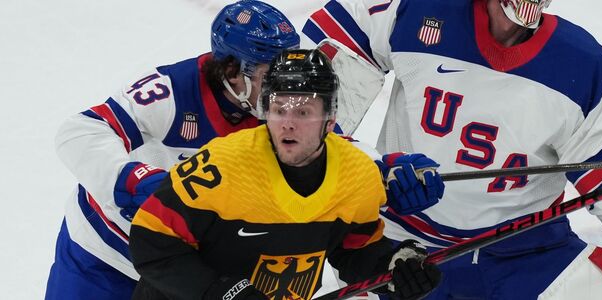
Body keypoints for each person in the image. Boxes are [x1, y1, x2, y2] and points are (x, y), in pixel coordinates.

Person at [303, 0, 602, 298]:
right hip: (402, 252)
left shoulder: (584, 63)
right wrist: (369, 169)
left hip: (526, 255)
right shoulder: (413, 9)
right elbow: (312, 91)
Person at [46, 1, 442, 299]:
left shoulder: (281, 101)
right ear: (232, 70)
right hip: (105, 255)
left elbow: (332, 148)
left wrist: (385, 170)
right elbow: (80, 131)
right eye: (270, 75)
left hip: (192, 267)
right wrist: (132, 180)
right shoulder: (171, 91)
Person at [128, 48, 441, 300]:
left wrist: (394, 268)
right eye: (279, 109)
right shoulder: (222, 164)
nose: (287, 123)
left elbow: (354, 251)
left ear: (330, 120)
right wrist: (220, 292)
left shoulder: (356, 176)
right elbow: (150, 241)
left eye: (303, 112)